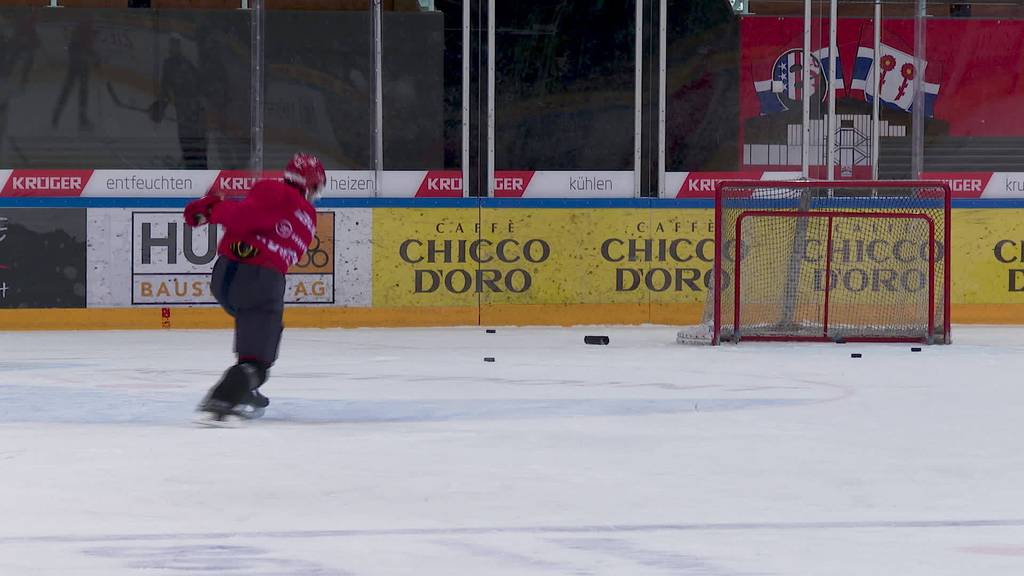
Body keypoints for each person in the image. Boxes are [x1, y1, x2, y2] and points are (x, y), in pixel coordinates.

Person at [184, 153, 326, 423]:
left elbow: (244, 216)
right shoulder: (302, 210)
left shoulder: (271, 192)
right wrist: (213, 209)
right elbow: (247, 217)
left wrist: (209, 208)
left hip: (228, 275)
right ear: (310, 185)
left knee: (254, 346)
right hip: (260, 282)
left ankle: (244, 390)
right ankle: (226, 396)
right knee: (258, 363)